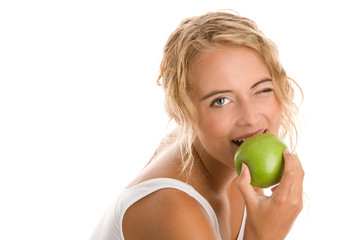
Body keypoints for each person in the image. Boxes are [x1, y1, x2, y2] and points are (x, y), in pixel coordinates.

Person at [91, 11, 304, 240]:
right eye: (220, 101)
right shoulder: (173, 210)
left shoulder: (231, 155)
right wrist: (265, 235)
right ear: (182, 114)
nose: (251, 118)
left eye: (262, 90)